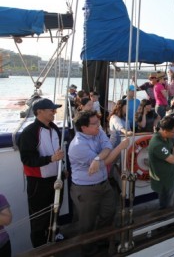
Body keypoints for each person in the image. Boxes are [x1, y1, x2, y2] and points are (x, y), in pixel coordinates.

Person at [69, 110, 129, 255]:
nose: (99, 126)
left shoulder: (98, 131)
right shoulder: (77, 146)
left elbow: (107, 147)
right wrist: (120, 147)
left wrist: (97, 158)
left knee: (109, 212)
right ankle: (88, 250)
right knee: (87, 223)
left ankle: (101, 240)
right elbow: (108, 160)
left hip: (103, 183)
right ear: (84, 128)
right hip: (86, 189)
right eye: (95, 123)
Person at [18, 98, 64, 247]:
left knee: (55, 210)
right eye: (51, 110)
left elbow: (59, 152)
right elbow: (27, 159)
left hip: (56, 179)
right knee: (39, 218)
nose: (55, 112)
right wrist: (50, 159)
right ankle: (40, 248)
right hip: (39, 183)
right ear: (40, 112)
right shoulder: (29, 132)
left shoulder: (54, 128)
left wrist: (63, 169)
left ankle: (54, 235)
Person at [148, 116, 174, 209]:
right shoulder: (157, 144)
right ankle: (167, 219)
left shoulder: (169, 136)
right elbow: (173, 159)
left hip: (170, 175)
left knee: (169, 199)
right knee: (166, 204)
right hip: (163, 180)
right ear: (165, 131)